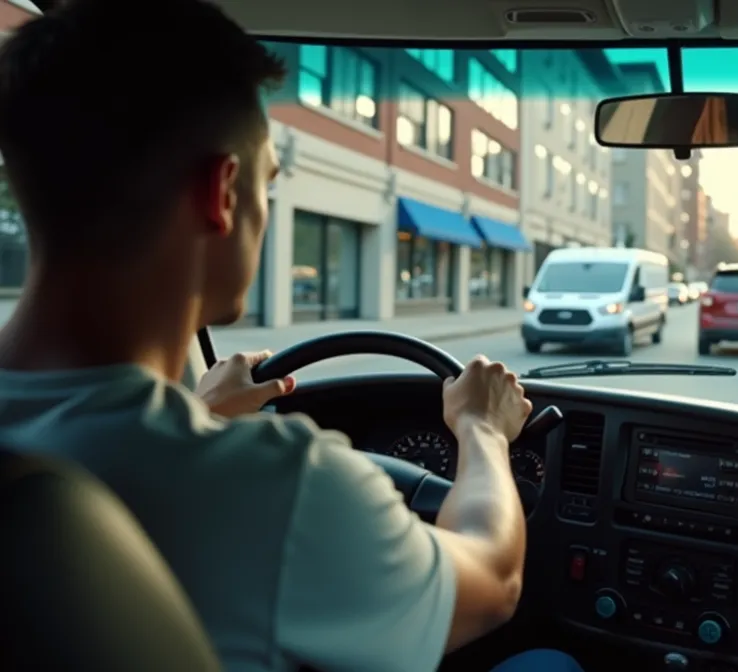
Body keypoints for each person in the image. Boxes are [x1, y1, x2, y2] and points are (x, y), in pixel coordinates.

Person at [0, 1, 582, 671]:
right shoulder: (279, 486)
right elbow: (493, 584)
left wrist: (198, 413)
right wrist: (481, 427)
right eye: (268, 182)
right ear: (221, 193)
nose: (265, 210)